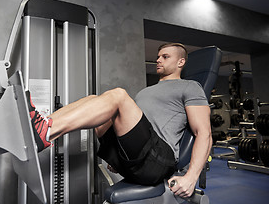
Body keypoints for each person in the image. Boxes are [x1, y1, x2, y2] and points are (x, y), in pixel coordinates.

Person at [29, 43, 212, 198]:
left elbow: (204, 133)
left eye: (165, 57)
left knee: (118, 96)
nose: (158, 60)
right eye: (158, 57)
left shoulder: (190, 87)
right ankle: (42, 125)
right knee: (94, 98)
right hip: (136, 158)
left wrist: (191, 177)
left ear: (181, 62)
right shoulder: (146, 91)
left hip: (158, 161)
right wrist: (120, 152)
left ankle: (45, 130)